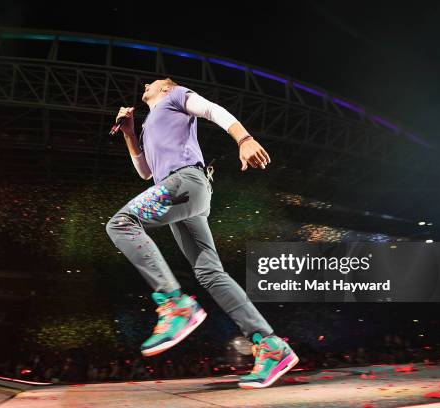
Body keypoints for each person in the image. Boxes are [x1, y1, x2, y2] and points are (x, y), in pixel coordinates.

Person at [106, 78, 299, 388]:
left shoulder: (175, 97)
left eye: (152, 82)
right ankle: (272, 346)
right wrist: (130, 133)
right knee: (210, 273)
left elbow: (212, 110)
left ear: (167, 88)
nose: (144, 83)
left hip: (184, 182)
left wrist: (244, 139)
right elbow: (145, 172)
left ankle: (175, 304)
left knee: (121, 223)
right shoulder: (149, 124)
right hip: (178, 191)